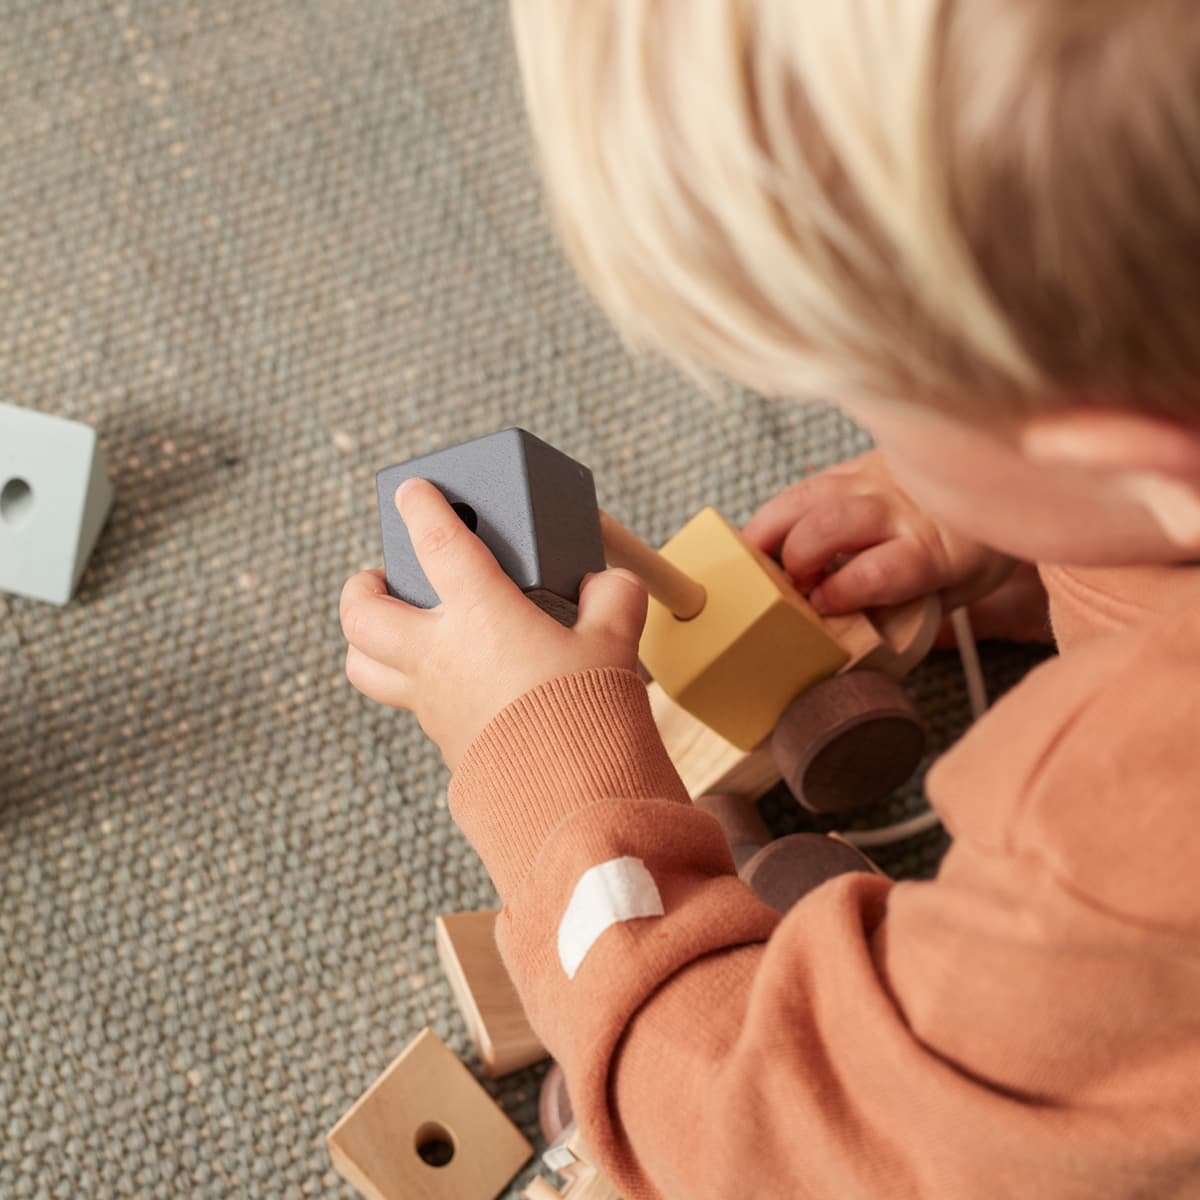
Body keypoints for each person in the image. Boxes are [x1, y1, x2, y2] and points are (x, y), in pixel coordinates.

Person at [339, 4, 1200, 1196]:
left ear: (1121, 453)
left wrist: (558, 796)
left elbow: (777, 1145)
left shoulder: (1138, 854)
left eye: (879, 395)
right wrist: (1083, 541)